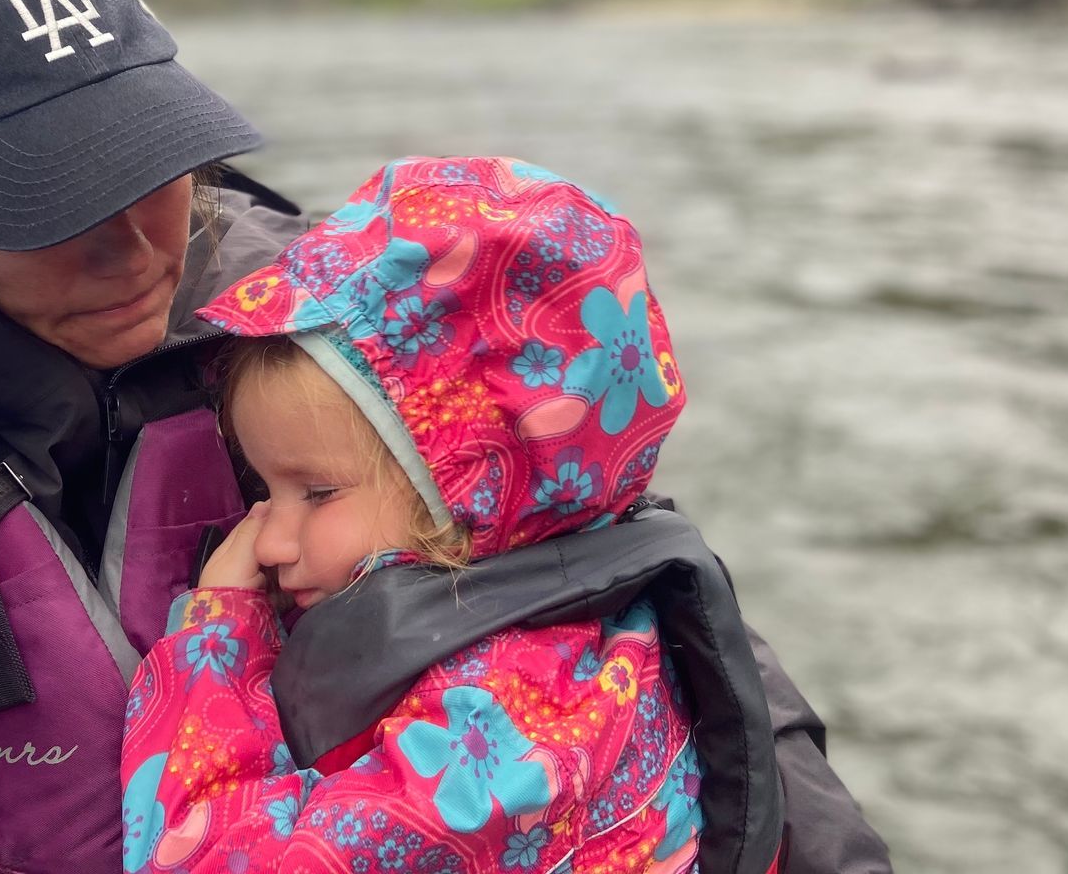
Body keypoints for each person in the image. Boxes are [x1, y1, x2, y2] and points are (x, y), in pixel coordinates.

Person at [0, 0, 891, 874]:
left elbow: (629, 584)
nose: (135, 248)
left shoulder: (351, 332)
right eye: (44, 198)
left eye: (146, 162)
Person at [121, 156, 771, 873]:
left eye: (318, 493)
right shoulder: (596, 625)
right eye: (264, 487)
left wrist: (216, 641)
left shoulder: (489, 730)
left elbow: (203, 862)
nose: (268, 541)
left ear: (469, 491)